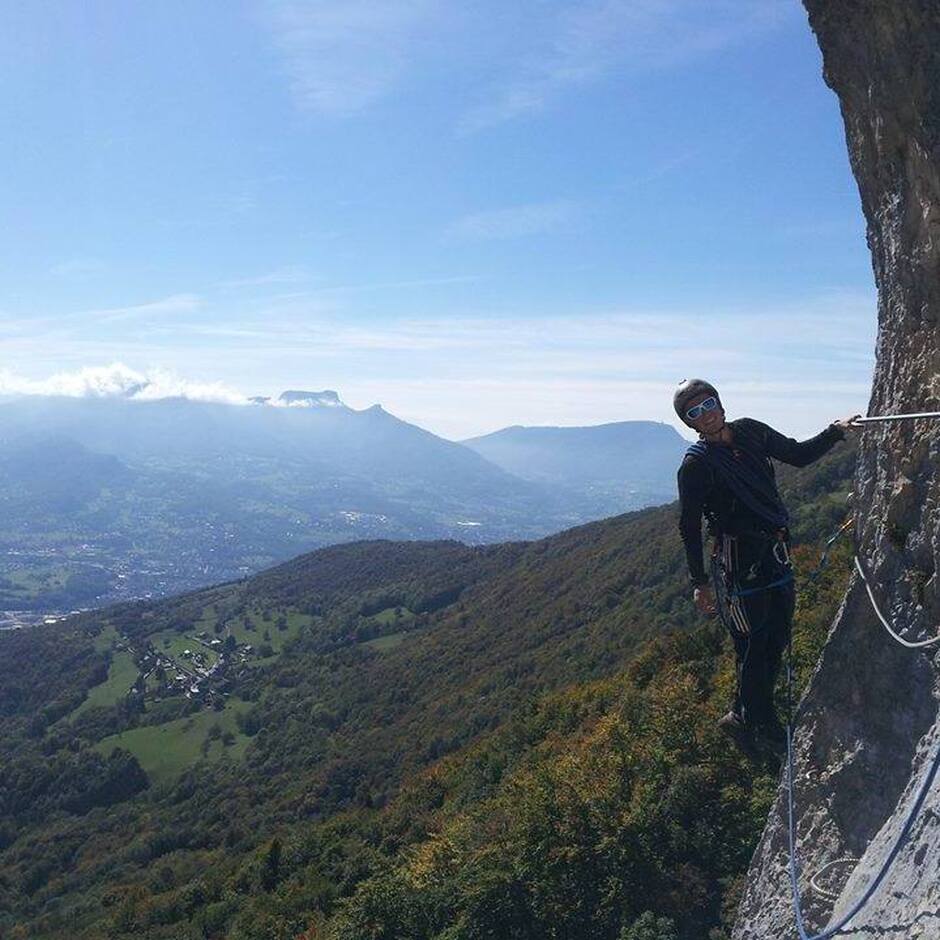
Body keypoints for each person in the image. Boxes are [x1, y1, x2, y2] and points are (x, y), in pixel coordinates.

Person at [674, 378, 859, 754]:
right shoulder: (695, 466)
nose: (705, 414)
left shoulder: (752, 432)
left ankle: (744, 715)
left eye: (708, 403)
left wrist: (834, 432)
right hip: (738, 559)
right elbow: (689, 527)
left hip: (772, 547)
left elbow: (797, 454)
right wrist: (700, 582)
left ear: (719, 402)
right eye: (694, 412)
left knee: (776, 634)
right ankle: (759, 722)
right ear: (690, 424)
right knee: (754, 641)